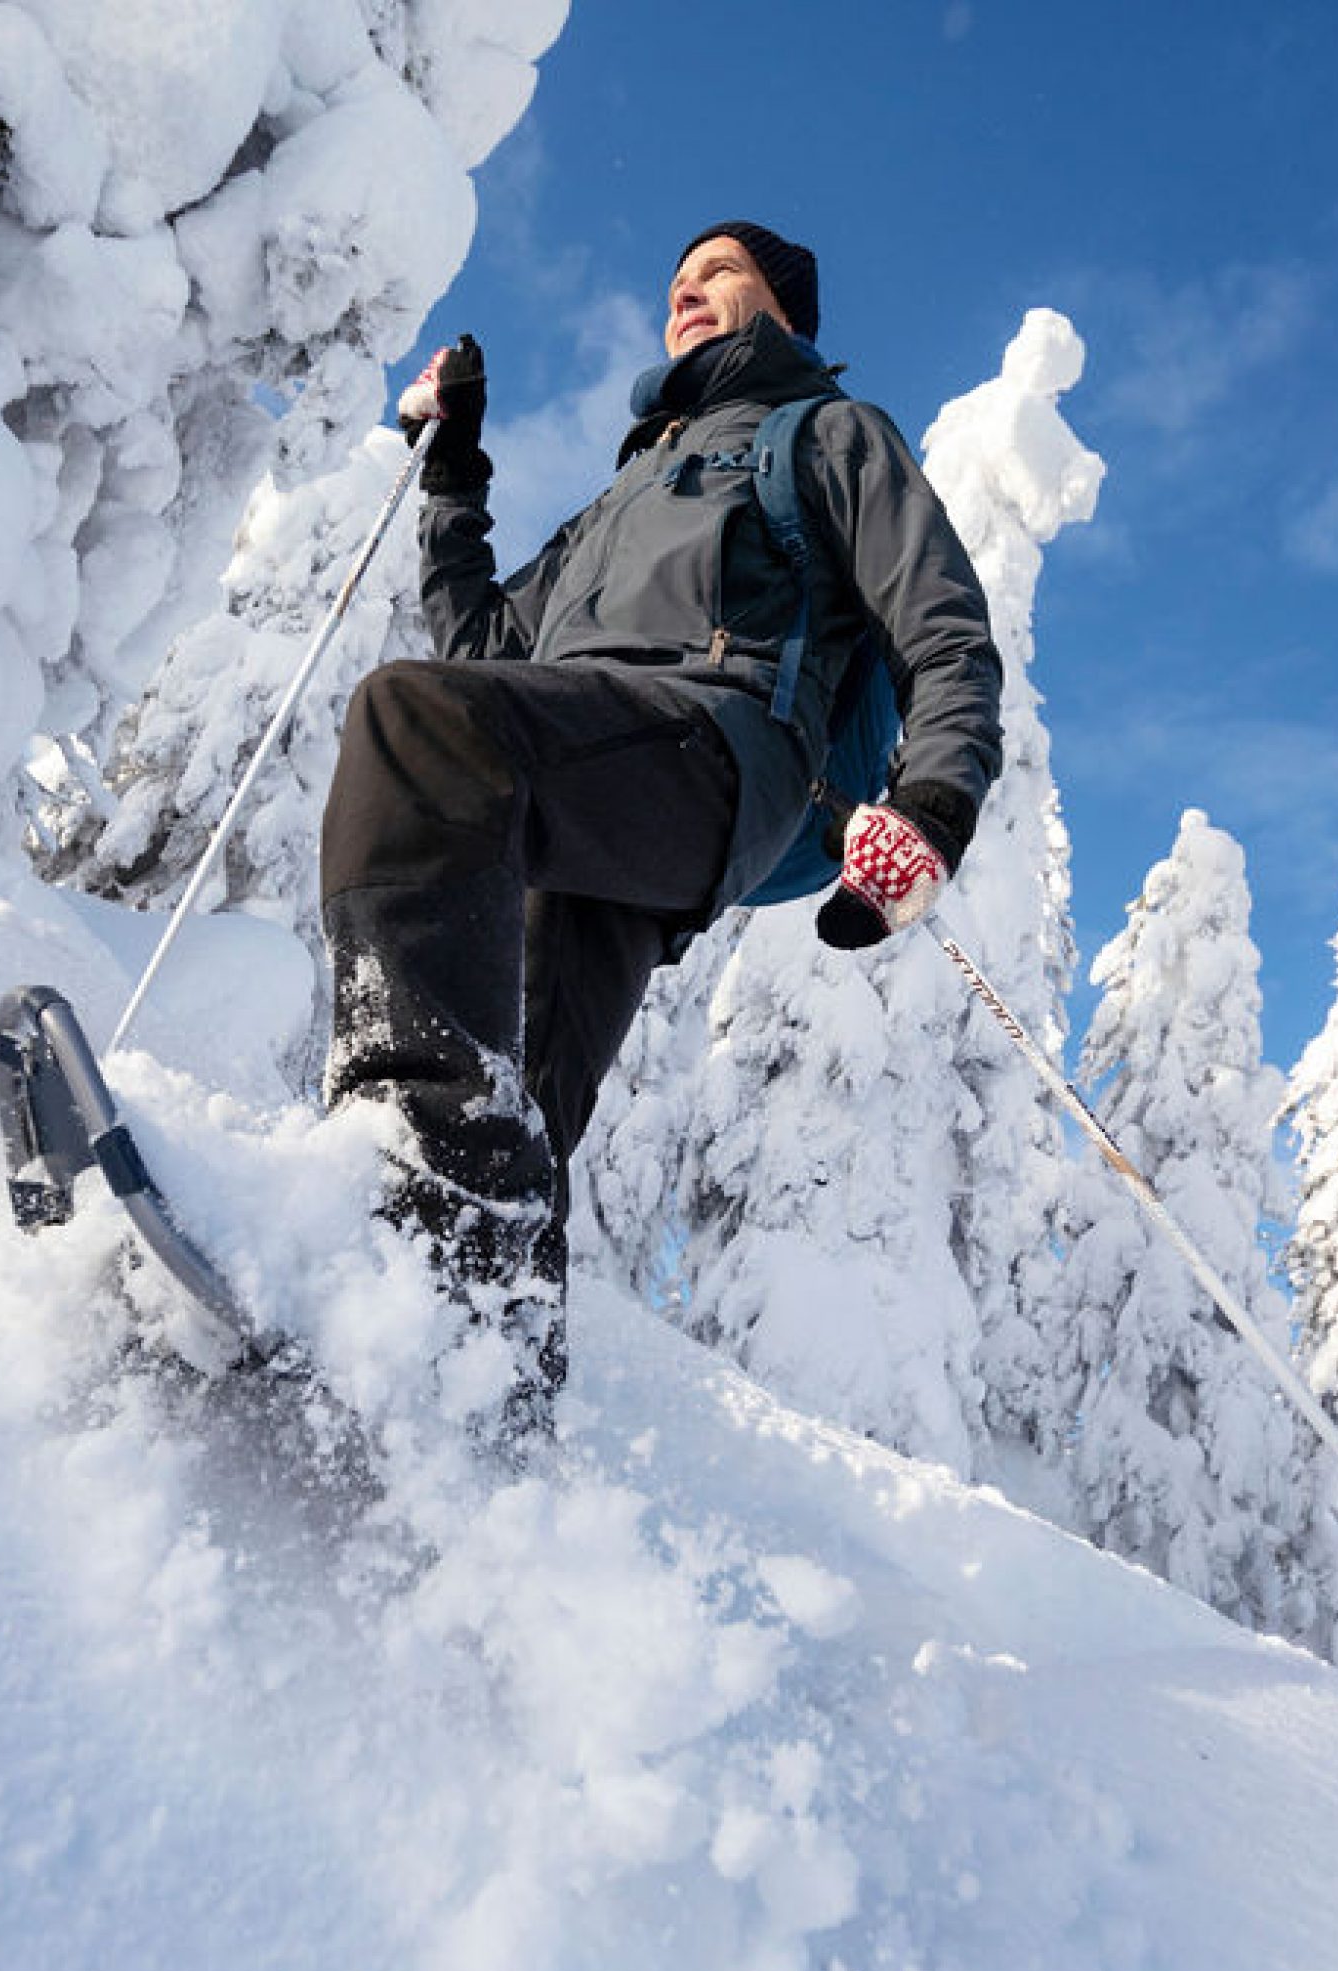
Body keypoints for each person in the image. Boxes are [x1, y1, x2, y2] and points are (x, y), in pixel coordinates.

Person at [318, 220, 1006, 1434]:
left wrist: (932, 802)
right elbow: (480, 651)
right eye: (678, 282)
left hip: (715, 752)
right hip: (580, 777)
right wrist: (456, 470)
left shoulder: (827, 435)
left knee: (406, 725)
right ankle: (470, 1391)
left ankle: (370, 1192)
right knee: (513, 1102)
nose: (687, 292)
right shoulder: (617, 503)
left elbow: (943, 627)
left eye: (718, 274)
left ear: (783, 313)